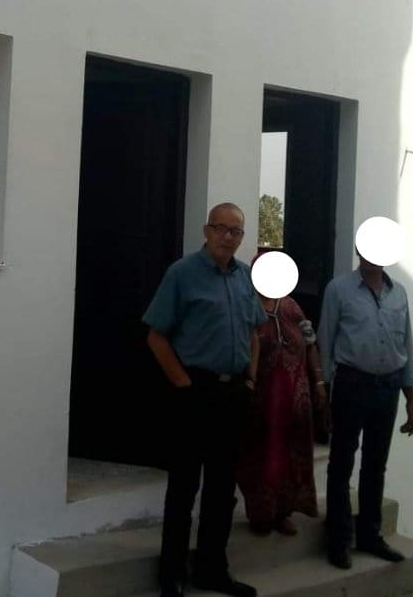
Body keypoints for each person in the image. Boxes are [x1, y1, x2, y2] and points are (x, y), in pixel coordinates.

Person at [144, 203, 267, 597]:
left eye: (236, 231)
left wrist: (251, 379)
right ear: (206, 230)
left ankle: (212, 569)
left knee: (222, 488)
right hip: (195, 392)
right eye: (221, 228)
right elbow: (156, 336)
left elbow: (254, 332)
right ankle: (172, 573)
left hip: (233, 395)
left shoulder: (245, 276)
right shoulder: (182, 274)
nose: (228, 237)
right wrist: (184, 385)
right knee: (184, 487)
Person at [317, 218, 413, 570]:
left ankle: (370, 535)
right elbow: (325, 343)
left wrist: (411, 399)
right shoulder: (338, 290)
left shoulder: (399, 294)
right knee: (341, 463)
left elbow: (406, 346)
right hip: (351, 385)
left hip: (388, 387)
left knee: (376, 464)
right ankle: (338, 540)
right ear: (359, 248)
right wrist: (324, 393)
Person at [236, 277, 323, 536]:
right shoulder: (247, 306)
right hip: (261, 398)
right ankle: (261, 514)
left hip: (294, 397)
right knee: (259, 456)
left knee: (289, 456)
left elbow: (310, 345)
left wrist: (319, 382)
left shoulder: (291, 307)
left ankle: (283, 512)